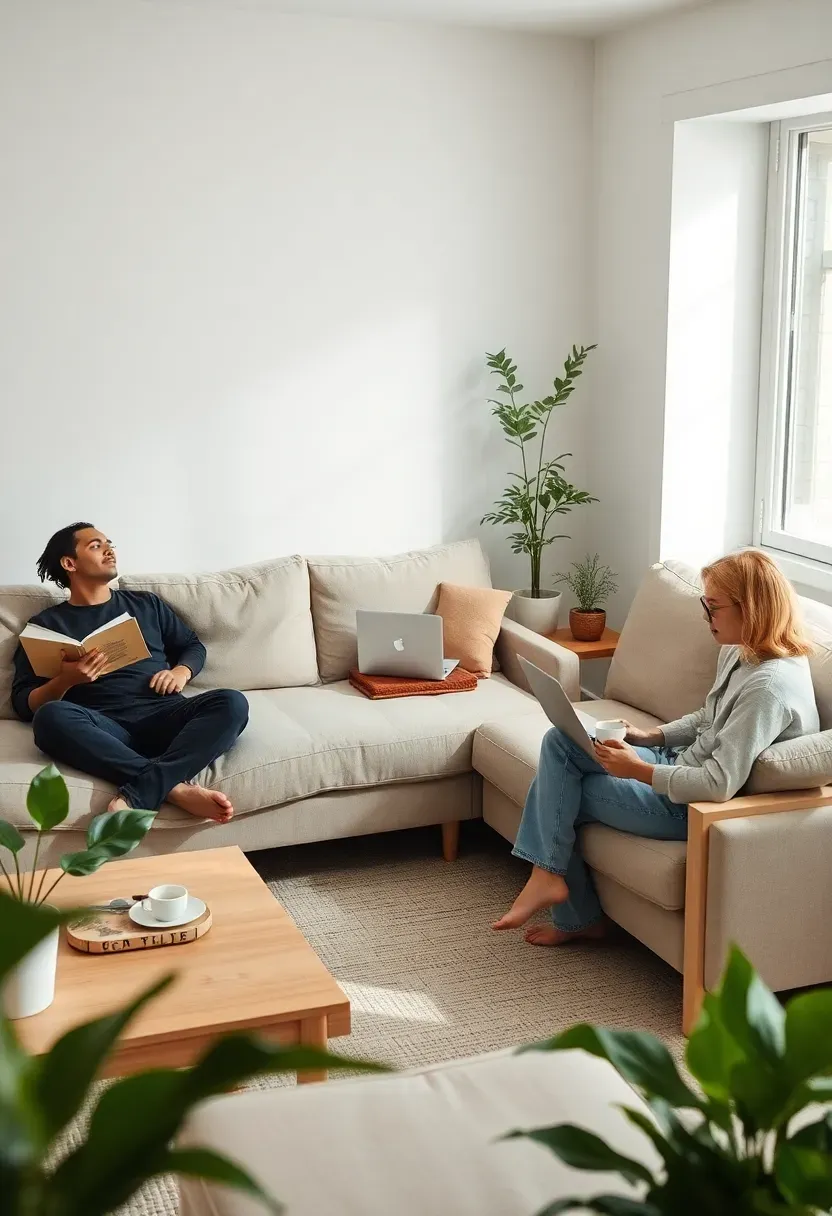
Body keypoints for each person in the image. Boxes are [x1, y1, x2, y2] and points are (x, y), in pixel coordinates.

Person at [493, 549, 819, 946]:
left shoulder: (769, 688)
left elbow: (718, 783)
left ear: (750, 608)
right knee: (561, 741)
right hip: (677, 764)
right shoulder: (742, 650)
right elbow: (708, 717)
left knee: (563, 787)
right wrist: (651, 736)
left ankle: (565, 901)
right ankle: (552, 882)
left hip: (690, 806)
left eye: (713, 606)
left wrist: (638, 770)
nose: (705, 616)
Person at [12, 523, 249, 822]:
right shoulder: (44, 627)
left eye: (109, 543)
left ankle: (144, 790)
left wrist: (180, 672)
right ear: (69, 563)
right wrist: (67, 680)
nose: (110, 549)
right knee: (50, 717)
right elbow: (23, 703)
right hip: (103, 730)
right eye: (96, 545)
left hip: (165, 716)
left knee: (232, 702)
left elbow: (191, 645)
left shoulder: (145, 604)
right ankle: (175, 789)